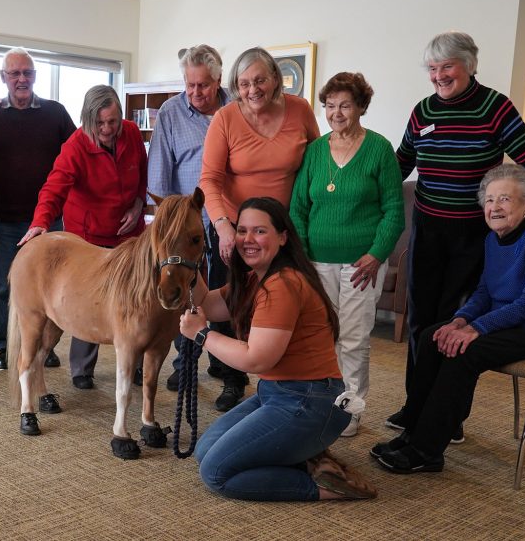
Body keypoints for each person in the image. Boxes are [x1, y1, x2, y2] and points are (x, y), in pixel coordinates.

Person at [388, 31, 525, 437]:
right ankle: (416, 405)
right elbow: (400, 165)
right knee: (421, 321)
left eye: (446, 66)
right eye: (432, 69)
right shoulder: (422, 111)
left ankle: (446, 417)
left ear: (469, 65)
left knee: (455, 323)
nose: (438, 76)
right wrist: (367, 199)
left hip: (471, 235)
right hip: (428, 229)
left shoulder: (494, 107)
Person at [373, 164, 525, 474]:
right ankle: (413, 433)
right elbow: (484, 292)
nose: (494, 207)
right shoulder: (492, 238)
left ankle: (427, 450)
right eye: (489, 200)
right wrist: (459, 321)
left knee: (465, 351)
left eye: (504, 200)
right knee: (434, 337)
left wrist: (476, 328)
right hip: (514, 323)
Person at [180, 197, 376, 501]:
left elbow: (256, 359)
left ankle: (322, 487)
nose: (248, 239)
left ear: (283, 237)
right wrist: (185, 258)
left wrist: (202, 335)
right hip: (277, 394)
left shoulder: (282, 284)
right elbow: (206, 304)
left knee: (216, 472)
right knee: (205, 451)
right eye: (242, 230)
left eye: (260, 231)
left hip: (309, 401)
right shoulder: (254, 280)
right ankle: (311, 458)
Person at [199, 46, 320, 411]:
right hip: (234, 227)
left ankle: (281, 378)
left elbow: (315, 165)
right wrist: (223, 227)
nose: (253, 89)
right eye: (244, 83)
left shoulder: (300, 110)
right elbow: (209, 179)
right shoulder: (225, 118)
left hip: (284, 229)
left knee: (280, 305)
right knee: (231, 300)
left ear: (275, 79)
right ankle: (232, 379)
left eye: (260, 80)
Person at [290, 72, 404, 437]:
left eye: (344, 105)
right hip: (317, 261)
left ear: (360, 107)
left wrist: (376, 254)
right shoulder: (315, 150)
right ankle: (324, 402)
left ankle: (350, 409)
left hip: (362, 263)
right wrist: (303, 256)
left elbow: (393, 210)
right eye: (329, 106)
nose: (336, 113)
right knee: (323, 335)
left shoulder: (380, 149)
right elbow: (298, 208)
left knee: (353, 338)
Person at [20, 84, 146, 394]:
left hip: (127, 234)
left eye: (112, 121)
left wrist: (139, 203)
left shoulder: (131, 134)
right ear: (88, 121)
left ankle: (136, 364)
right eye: (100, 123)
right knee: (88, 301)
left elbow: (143, 173)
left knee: (137, 301)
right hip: (88, 236)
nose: (107, 129)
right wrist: (40, 223)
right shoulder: (75, 146)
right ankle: (82, 369)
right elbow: (54, 188)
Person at [0, 47, 76, 370]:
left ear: (35, 76)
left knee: (52, 285)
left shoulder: (56, 113)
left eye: (27, 73)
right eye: (14, 73)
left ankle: (45, 345)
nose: (22, 79)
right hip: (6, 220)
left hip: (50, 219)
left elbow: (77, 155)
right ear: (4, 78)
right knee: (6, 285)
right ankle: (6, 347)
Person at [147, 44, 230, 392]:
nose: (196, 93)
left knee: (228, 295)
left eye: (204, 85)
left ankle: (229, 373)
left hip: (228, 220)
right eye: (190, 84)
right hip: (187, 225)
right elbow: (160, 172)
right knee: (187, 296)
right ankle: (186, 365)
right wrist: (161, 225)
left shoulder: (237, 108)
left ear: (218, 79)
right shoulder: (170, 111)